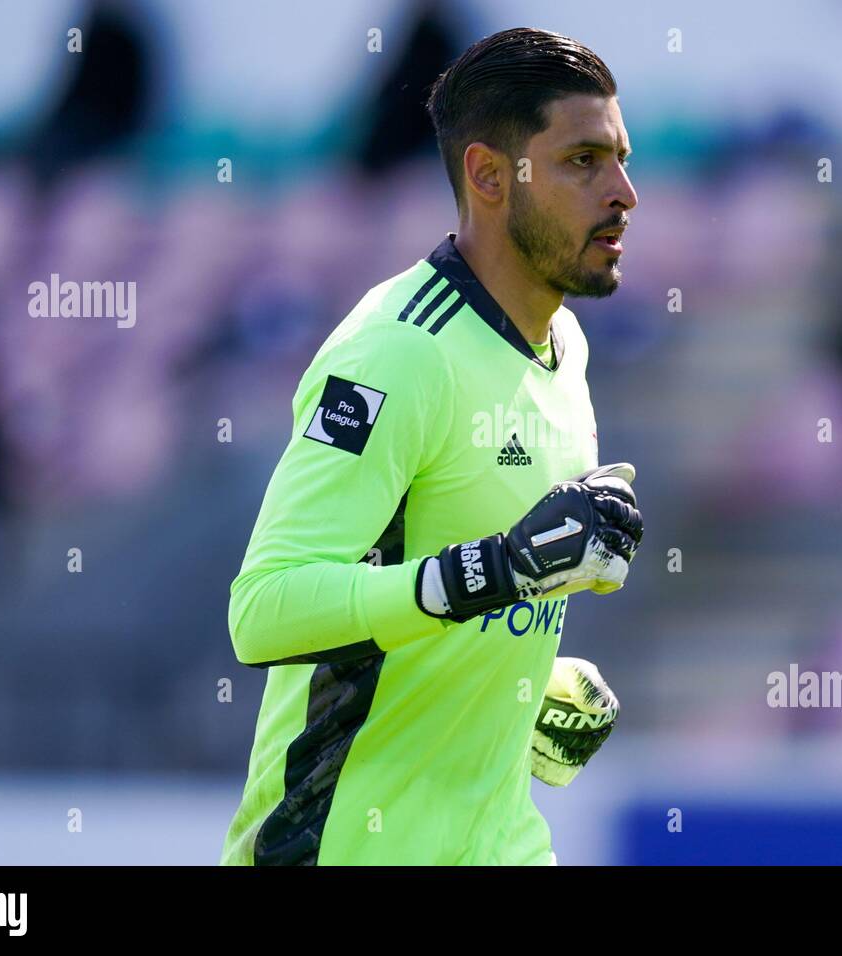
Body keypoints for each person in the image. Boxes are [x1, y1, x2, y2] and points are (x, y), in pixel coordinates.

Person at [221, 27, 643, 866]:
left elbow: (457, 596)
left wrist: (525, 698)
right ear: (489, 175)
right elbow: (263, 611)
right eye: (583, 161)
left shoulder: (566, 348)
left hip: (500, 845)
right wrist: (497, 569)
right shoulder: (398, 352)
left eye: (622, 159)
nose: (625, 192)